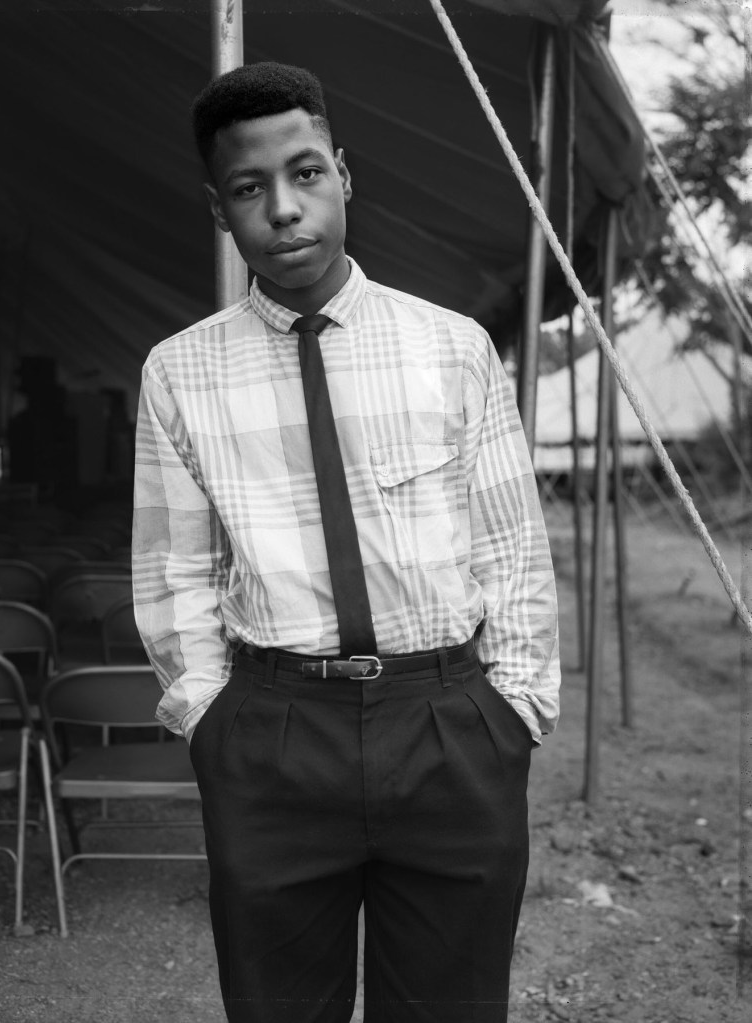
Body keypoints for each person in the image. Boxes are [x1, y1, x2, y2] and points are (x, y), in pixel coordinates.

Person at [133, 61, 560, 1023]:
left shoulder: (451, 347)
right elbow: (174, 571)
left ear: (343, 174)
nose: (283, 209)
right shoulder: (179, 373)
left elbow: (511, 545)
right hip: (275, 732)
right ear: (218, 207)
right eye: (250, 188)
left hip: (450, 724)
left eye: (306, 173)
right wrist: (211, 718)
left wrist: (513, 710)